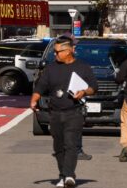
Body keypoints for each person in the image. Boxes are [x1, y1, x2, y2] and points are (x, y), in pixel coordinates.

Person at [30, 34, 98, 188]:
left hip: (74, 112)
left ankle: (69, 176)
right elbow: (40, 86)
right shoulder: (51, 68)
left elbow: (94, 86)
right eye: (54, 52)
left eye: (58, 52)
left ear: (68, 51)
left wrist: (84, 92)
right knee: (59, 146)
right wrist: (34, 99)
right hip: (55, 113)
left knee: (70, 144)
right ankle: (62, 174)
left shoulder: (82, 67)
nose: (55, 54)